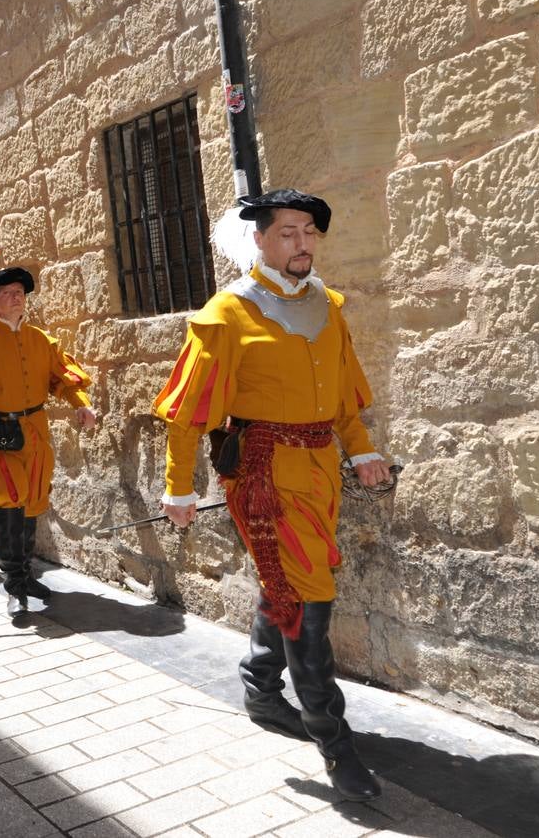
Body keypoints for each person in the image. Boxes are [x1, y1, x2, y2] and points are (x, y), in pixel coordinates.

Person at [153, 188, 392, 802]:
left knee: (284, 578)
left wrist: (360, 449)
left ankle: (261, 688)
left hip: (319, 470)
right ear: (258, 240)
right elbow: (187, 413)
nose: (302, 243)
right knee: (311, 595)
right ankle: (334, 743)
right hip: (262, 476)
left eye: (309, 232)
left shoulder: (328, 306)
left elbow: (344, 394)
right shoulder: (227, 313)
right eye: (287, 232)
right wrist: (179, 485)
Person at [0, 267, 96, 605]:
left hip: (35, 432)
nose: (16, 296)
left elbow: (64, 379)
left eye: (20, 291)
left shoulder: (41, 340)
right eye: (7, 292)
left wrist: (81, 405)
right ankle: (13, 585)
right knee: (8, 505)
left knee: (31, 504)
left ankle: (25, 574)